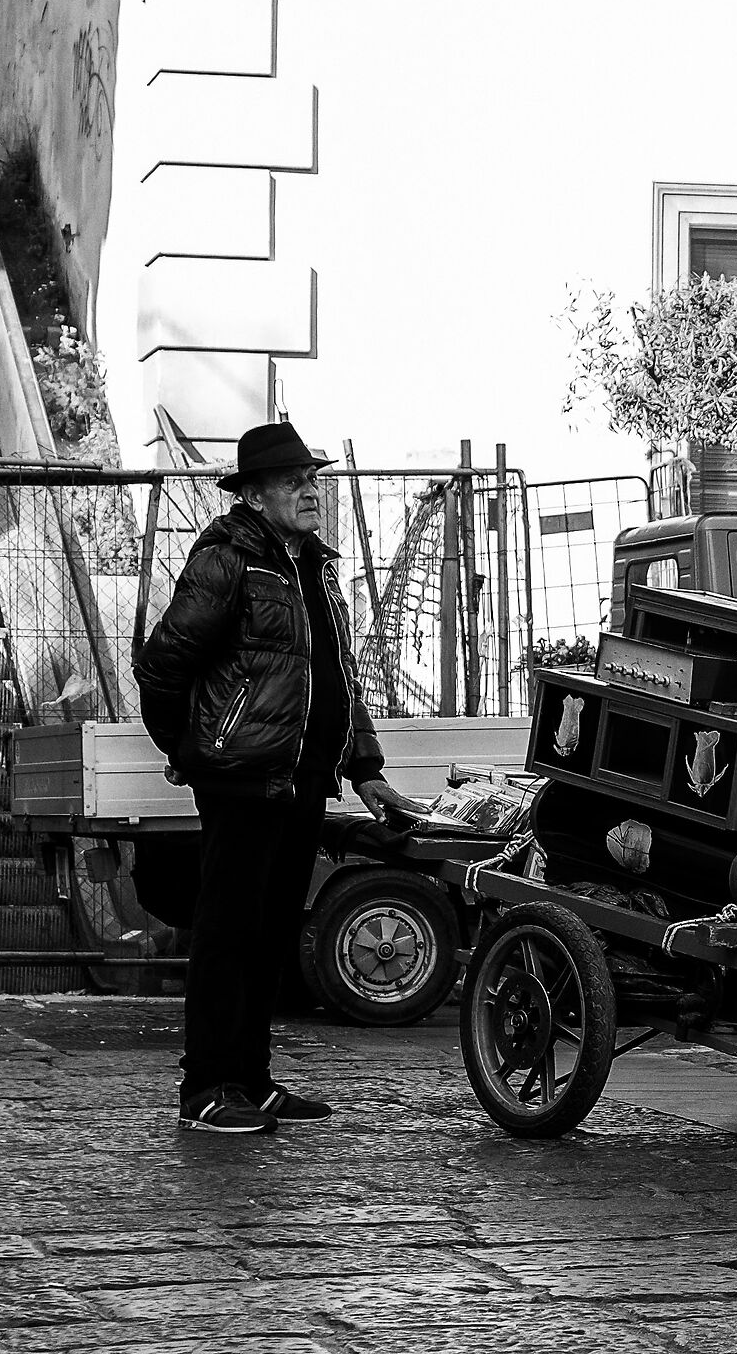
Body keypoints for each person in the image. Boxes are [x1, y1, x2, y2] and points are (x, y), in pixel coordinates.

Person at [134, 422, 423, 1134]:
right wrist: (191, 746)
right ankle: (205, 1090)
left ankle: (253, 1082)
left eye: (313, 479)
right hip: (241, 778)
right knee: (227, 934)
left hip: (301, 782)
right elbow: (160, 664)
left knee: (268, 937)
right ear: (256, 495)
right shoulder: (229, 560)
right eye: (294, 481)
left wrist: (366, 769)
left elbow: (340, 682)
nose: (310, 490)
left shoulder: (316, 568)